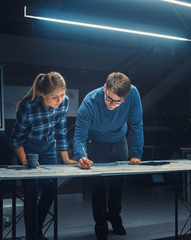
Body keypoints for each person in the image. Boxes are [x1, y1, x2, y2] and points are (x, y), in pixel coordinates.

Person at [73, 72, 144, 240]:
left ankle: (114, 216)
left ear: (125, 96)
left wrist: (137, 153)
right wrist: (81, 156)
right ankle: (101, 225)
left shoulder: (133, 93)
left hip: (120, 143)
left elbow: (136, 123)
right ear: (105, 88)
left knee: (118, 184)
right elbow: (79, 137)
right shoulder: (89, 102)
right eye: (109, 99)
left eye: (118, 101)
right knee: (99, 187)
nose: (112, 105)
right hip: (96, 145)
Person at [9, 72, 78, 240]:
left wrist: (66, 158)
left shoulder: (64, 102)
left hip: (48, 146)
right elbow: (16, 139)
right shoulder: (28, 106)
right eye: (55, 97)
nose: (60, 100)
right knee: (31, 193)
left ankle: (37, 231)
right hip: (29, 148)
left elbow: (61, 130)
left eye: (62, 95)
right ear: (43, 94)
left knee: (50, 188)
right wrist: (25, 160)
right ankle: (32, 236)